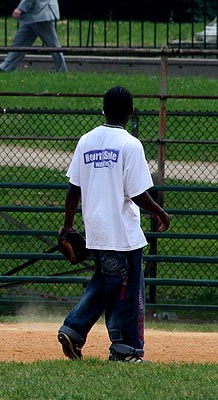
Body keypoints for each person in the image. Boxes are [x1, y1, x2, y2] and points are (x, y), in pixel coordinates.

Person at [56, 86, 170, 363]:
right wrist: (160, 212)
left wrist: (68, 225)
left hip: (96, 232)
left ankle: (74, 330)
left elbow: (74, 188)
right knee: (128, 293)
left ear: (103, 110)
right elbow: (138, 192)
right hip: (122, 235)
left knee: (106, 283)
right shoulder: (130, 144)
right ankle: (126, 349)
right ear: (130, 112)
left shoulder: (86, 140)